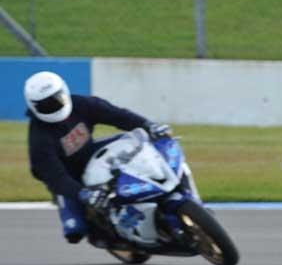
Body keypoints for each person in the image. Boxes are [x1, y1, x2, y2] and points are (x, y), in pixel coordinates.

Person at [24, 71, 172, 244]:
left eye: (58, 99)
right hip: (70, 175)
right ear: (34, 107)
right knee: (75, 230)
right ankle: (111, 233)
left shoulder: (82, 104)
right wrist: (82, 193)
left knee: (142, 141)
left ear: (64, 91)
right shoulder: (39, 138)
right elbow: (55, 177)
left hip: (92, 152)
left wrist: (148, 125)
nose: (55, 106)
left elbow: (117, 115)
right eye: (47, 105)